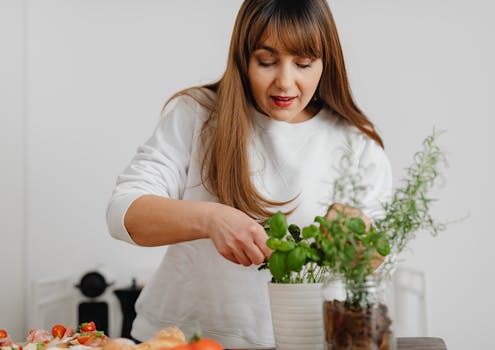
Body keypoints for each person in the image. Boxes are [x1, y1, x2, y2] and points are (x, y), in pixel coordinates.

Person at [106, 0, 392, 348]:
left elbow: (379, 258)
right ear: (243, 59)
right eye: (267, 61)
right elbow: (124, 213)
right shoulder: (196, 115)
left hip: (304, 341)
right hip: (179, 337)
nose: (285, 82)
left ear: (325, 62)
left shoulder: (356, 142)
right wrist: (211, 219)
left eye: (303, 63)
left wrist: (360, 236)